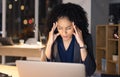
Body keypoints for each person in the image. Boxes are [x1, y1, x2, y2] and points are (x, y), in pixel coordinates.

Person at [40, 3, 96, 76]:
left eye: (68, 28)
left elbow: (90, 70)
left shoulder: (86, 38)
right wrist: (49, 43)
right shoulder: (54, 39)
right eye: (60, 28)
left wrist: (81, 44)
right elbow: (45, 67)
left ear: (76, 25)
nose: (64, 32)